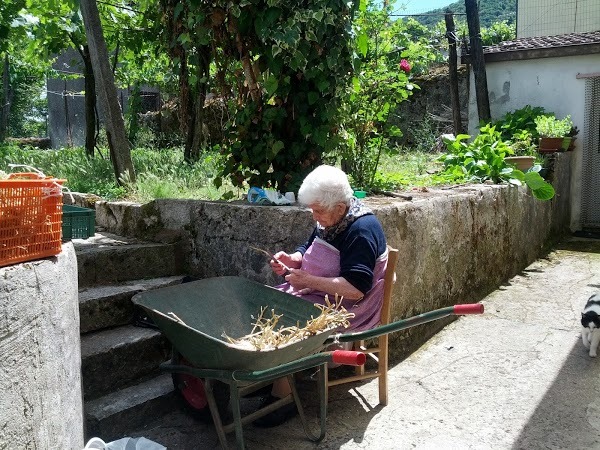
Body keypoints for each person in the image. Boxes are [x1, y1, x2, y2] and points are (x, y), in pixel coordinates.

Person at [253, 164, 389, 428]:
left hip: (349, 305)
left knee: (287, 322)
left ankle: (284, 395)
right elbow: (311, 246)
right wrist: (293, 260)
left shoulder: (360, 230)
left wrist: (308, 279)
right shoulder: (332, 218)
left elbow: (356, 288)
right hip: (319, 293)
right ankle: (273, 376)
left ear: (339, 207)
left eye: (318, 210)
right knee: (263, 304)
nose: (314, 216)